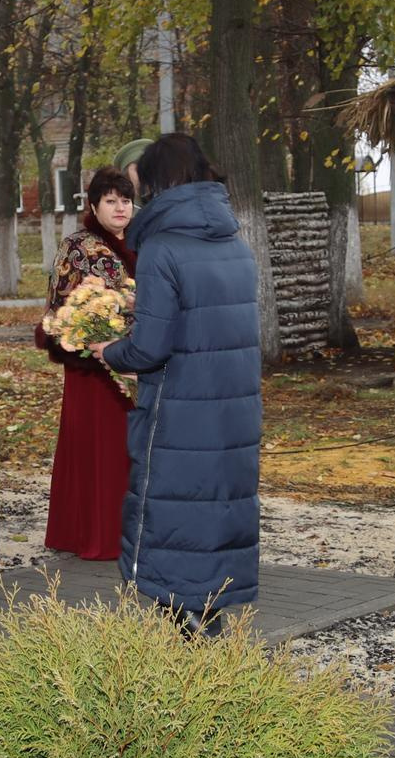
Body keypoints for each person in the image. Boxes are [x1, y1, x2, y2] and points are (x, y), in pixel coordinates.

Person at [101, 133, 262, 628]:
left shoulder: (162, 247)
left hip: (180, 409)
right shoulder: (235, 242)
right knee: (216, 512)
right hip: (233, 409)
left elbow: (150, 347)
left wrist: (109, 350)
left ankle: (190, 643)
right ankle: (208, 627)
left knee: (174, 519)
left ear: (157, 181)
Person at [42, 166, 137, 560]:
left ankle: (131, 532)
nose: (119, 208)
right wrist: (90, 331)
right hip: (92, 367)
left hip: (137, 361)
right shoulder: (79, 247)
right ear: (94, 205)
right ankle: (94, 535)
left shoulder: (143, 241)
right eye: (111, 200)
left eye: (125, 200)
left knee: (130, 449)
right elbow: (60, 304)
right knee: (98, 451)